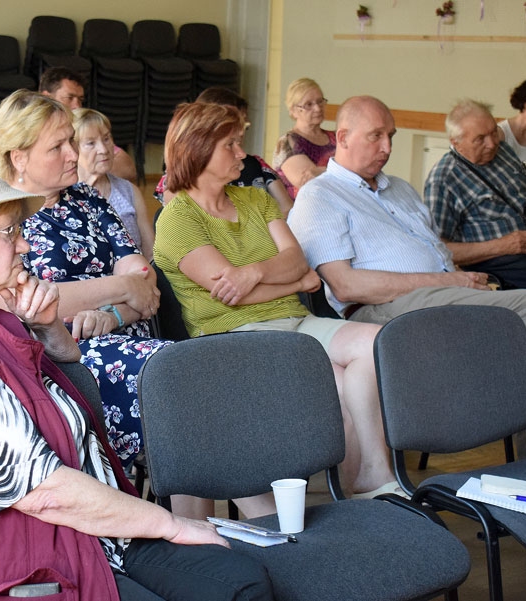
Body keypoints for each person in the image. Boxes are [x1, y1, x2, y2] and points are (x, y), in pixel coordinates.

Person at [0, 159, 274, 601]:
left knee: (242, 583)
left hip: (89, 537)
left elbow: (70, 377)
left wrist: (48, 328)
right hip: (20, 566)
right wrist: (170, 523)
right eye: (8, 231)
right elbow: (42, 491)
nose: (25, 245)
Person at [287, 95, 526, 456]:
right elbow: (346, 286)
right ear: (343, 137)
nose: (388, 147)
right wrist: (452, 280)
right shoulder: (321, 196)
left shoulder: (401, 189)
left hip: (438, 297)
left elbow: (439, 255)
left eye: (391, 136)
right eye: (376, 136)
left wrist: (461, 277)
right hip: (383, 311)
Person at [153, 101, 399, 518]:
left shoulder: (254, 199)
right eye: (229, 145)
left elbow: (297, 262)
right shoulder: (177, 220)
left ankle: (372, 477)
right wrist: (292, 282)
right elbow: (232, 297)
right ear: (197, 150)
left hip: (298, 323)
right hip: (238, 339)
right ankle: (360, 496)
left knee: (376, 342)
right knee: (339, 389)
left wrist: (253, 273)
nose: (241, 154)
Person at [0, 90, 172, 467]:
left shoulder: (86, 197)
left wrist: (114, 315)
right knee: (175, 381)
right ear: (18, 156)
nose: (73, 154)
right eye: (58, 147)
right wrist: (122, 289)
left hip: (128, 331)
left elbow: (141, 273)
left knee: (187, 377)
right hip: (62, 353)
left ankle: (193, 518)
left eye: (71, 141)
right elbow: (27, 299)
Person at [423, 98, 526, 311]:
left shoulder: (502, 150)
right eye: (480, 138)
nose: (492, 143)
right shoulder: (443, 179)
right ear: (456, 142)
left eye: (493, 132)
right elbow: (438, 250)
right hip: (498, 258)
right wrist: (501, 245)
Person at [155, 87, 292, 214]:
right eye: (230, 125)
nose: (241, 131)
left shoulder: (256, 165)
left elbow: (286, 209)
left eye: (244, 124)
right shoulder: (180, 177)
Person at [73, 108, 154, 259]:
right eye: (91, 143)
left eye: (106, 138)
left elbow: (151, 254)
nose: (103, 149)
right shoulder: (62, 197)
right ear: (73, 149)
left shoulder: (129, 191)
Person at [39, 66, 138, 182]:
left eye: (80, 99)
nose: (77, 106)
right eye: (69, 98)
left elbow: (128, 170)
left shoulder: (83, 129)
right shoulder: (28, 133)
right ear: (47, 98)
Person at [272, 78, 336, 201]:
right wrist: (345, 170)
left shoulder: (335, 138)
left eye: (320, 101)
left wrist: (323, 171)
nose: (317, 108)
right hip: (305, 213)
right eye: (309, 104)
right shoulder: (288, 142)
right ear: (293, 111)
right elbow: (308, 181)